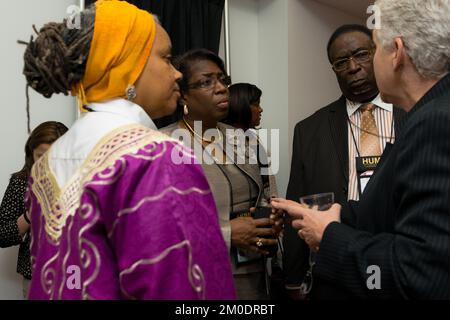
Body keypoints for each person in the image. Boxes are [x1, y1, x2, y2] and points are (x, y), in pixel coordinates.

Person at [21, 0, 235, 300]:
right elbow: (188, 288)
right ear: (127, 65)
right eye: (166, 58)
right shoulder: (155, 157)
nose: (177, 74)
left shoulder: (48, 162)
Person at [273, 0, 450, 299]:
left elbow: (420, 275)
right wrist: (341, 215)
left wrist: (329, 236)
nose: (354, 68)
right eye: (342, 62)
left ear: (396, 53)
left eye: (371, 51)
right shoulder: (434, 112)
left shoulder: (433, 122)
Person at [282, 24, 406, 300]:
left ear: (379, 54)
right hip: (334, 265)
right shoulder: (309, 130)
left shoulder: (415, 116)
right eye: (341, 62)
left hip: (400, 260)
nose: (353, 67)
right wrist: (293, 279)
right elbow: (297, 204)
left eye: (361, 55)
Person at [161, 49, 282, 299]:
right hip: (198, 279)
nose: (221, 89)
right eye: (206, 82)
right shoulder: (163, 145)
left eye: (223, 80)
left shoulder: (246, 140)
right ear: (183, 95)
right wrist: (226, 232)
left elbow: (268, 193)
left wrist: (272, 218)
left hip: (253, 273)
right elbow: (158, 227)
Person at [0, 121, 67, 299]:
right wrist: (30, 215)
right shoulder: (21, 183)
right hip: (35, 274)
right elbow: (2, 235)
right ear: (31, 155)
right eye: (41, 156)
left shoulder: (83, 181)